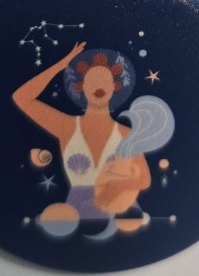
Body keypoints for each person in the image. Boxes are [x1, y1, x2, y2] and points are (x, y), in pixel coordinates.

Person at [12, 41, 149, 221]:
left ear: (114, 88)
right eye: (92, 80)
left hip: (120, 214)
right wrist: (60, 65)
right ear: (82, 87)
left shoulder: (125, 134)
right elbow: (22, 98)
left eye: (105, 81)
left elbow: (144, 179)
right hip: (77, 213)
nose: (98, 85)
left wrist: (118, 186)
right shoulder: (67, 127)